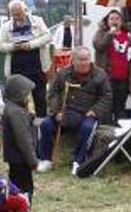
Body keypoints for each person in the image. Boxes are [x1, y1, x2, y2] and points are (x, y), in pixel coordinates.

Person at [37, 46, 112, 175]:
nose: (84, 63)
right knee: (46, 125)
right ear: (73, 60)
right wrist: (56, 112)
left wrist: (95, 111)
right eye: (81, 60)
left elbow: (107, 96)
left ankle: (78, 161)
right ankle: (46, 160)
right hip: (65, 112)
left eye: (87, 59)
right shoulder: (63, 73)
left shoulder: (100, 75)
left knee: (87, 128)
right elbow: (53, 93)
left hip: (87, 114)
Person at [0, 0, 53, 118]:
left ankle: (41, 123)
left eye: (19, 13)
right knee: (19, 98)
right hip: (17, 68)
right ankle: (22, 123)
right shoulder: (6, 27)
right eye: (14, 14)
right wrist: (13, 46)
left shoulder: (37, 21)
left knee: (40, 96)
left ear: (26, 11)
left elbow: (48, 36)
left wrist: (31, 44)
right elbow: (0, 46)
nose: (16, 17)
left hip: (37, 66)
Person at [0, 73, 38, 202]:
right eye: (28, 94)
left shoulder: (13, 108)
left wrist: (30, 115)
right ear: (19, 94)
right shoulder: (17, 112)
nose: (30, 97)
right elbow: (24, 139)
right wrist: (33, 161)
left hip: (15, 159)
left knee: (16, 189)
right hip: (21, 159)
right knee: (24, 191)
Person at [93, 9, 131, 123]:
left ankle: (120, 134)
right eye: (112, 19)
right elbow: (99, 46)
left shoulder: (128, 35)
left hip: (124, 77)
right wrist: (110, 34)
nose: (114, 21)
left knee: (120, 106)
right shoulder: (101, 33)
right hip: (107, 77)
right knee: (107, 107)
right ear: (107, 21)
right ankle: (107, 134)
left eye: (117, 19)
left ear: (122, 21)